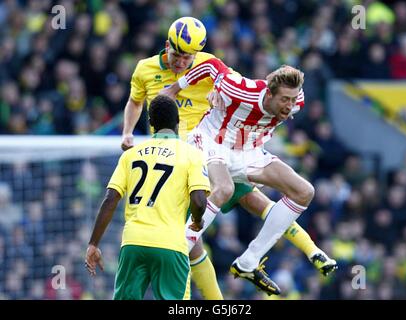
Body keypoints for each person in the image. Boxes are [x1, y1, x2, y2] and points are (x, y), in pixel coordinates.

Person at [122, 16, 336, 298]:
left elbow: (213, 68)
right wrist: (130, 129)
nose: (183, 61)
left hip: (245, 153)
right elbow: (137, 101)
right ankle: (184, 254)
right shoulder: (146, 70)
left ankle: (270, 257)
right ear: (167, 46)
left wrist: (213, 96)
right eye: (178, 54)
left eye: (189, 56)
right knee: (224, 203)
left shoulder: (292, 102)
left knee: (295, 193)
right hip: (200, 147)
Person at [161, 58, 337, 295]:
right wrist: (174, 89)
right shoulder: (243, 90)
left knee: (305, 191)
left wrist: (292, 101)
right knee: (224, 189)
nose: (290, 106)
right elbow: (212, 65)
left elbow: (293, 102)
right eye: (284, 99)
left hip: (250, 153)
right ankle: (180, 246)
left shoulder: (298, 102)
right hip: (213, 142)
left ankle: (249, 261)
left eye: (293, 99)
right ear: (269, 94)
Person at [85, 95, 210, 300]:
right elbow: (198, 200)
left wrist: (93, 244)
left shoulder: (130, 155)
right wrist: (197, 221)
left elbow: (110, 199)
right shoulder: (191, 155)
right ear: (178, 122)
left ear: (151, 124)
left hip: (133, 242)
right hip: (170, 245)